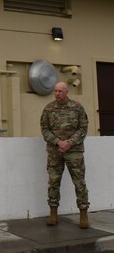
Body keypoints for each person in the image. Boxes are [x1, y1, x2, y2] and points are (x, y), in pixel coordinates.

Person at [40, 81, 89, 229]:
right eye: (55, 91)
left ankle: (83, 214)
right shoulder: (48, 109)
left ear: (67, 92)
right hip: (55, 152)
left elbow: (83, 128)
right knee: (54, 182)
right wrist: (58, 142)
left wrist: (70, 143)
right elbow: (44, 129)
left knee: (79, 182)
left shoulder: (77, 107)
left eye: (60, 91)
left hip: (74, 151)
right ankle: (53, 213)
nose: (57, 94)